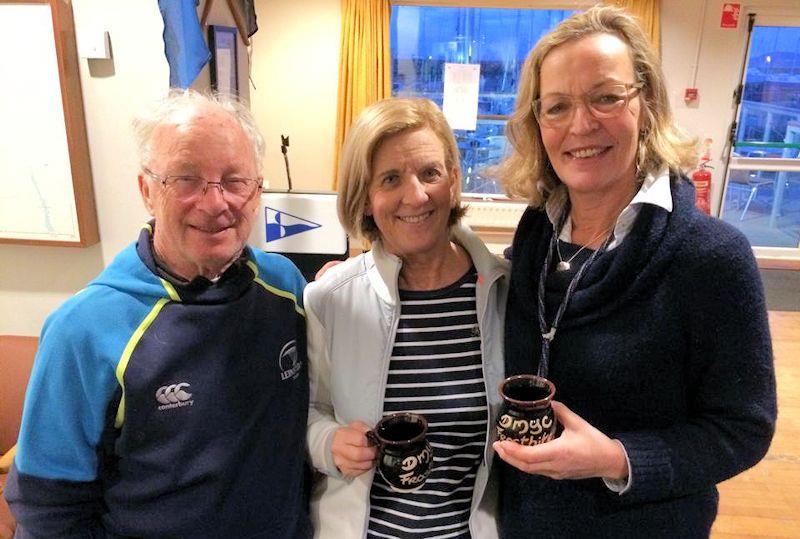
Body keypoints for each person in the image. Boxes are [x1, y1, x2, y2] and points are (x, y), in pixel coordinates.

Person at [493, 6, 777, 538]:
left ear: (645, 104)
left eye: (605, 96)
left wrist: (619, 459)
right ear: (538, 123)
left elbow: (743, 428)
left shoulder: (711, 259)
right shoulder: (536, 233)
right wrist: (370, 273)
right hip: (523, 523)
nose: (581, 124)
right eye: (557, 106)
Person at [5, 90, 312, 538]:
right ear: (147, 190)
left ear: (258, 189)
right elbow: (47, 509)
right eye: (186, 179)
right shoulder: (83, 331)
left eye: (234, 180)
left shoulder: (285, 287)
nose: (215, 203)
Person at [305, 98, 508, 538]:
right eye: (390, 178)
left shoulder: (504, 295)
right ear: (364, 198)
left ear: (454, 181)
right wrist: (328, 443)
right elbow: (308, 411)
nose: (415, 196)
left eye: (430, 173)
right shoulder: (330, 300)